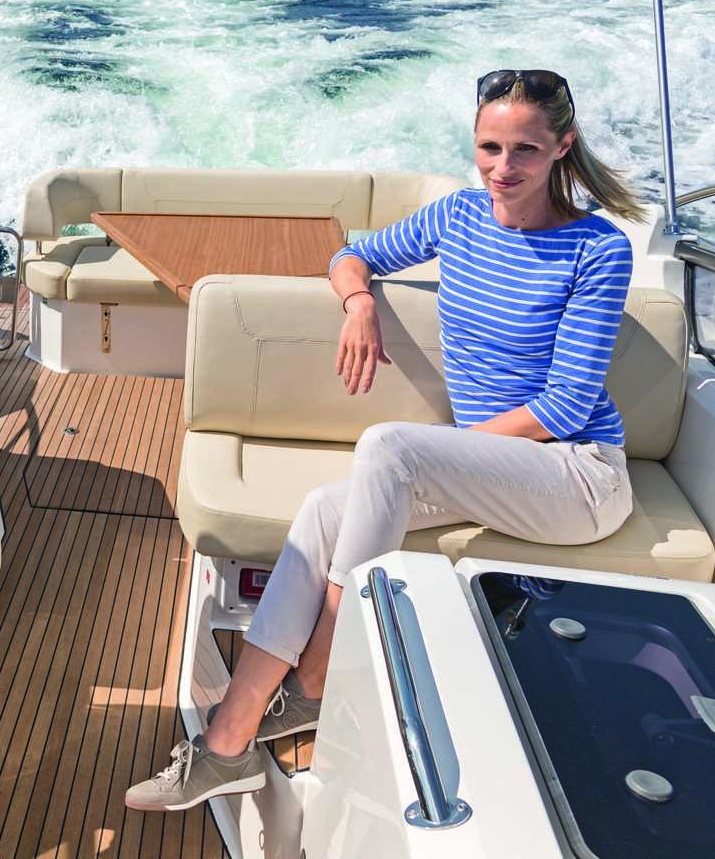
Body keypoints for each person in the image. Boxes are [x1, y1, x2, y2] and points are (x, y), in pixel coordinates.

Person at [126, 69, 645, 811]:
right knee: (323, 509)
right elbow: (349, 255)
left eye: (526, 149)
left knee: (391, 449)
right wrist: (359, 304)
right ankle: (227, 745)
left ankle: (318, 669)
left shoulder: (597, 248)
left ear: (563, 146)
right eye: (489, 147)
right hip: (492, 471)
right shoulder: (459, 217)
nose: (503, 167)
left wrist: (444, 458)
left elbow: (565, 406)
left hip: (576, 477)